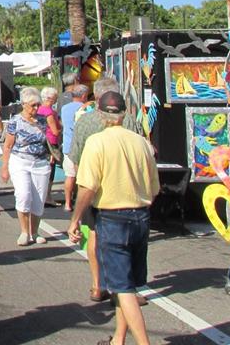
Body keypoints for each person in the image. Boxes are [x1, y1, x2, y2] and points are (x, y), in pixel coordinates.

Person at [68, 91, 159, 345]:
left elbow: (87, 188)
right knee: (126, 284)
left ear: (100, 114)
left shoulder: (96, 142)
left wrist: (75, 219)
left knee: (122, 288)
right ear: (124, 114)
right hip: (140, 215)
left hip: (112, 217)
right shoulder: (141, 142)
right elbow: (155, 188)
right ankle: (118, 339)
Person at [66, 76, 147, 304]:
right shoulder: (128, 120)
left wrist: (80, 186)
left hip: (91, 186)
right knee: (124, 241)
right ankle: (124, 289)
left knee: (94, 234)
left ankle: (97, 285)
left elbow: (75, 157)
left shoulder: (84, 120)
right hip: (124, 187)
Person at [0, 87, 50, 245]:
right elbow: (8, 145)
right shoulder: (15, 121)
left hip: (40, 162)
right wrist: (4, 167)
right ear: (23, 104)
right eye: (33, 105)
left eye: (38, 105)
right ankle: (24, 232)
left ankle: (34, 232)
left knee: (39, 199)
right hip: (20, 161)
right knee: (23, 194)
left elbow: (50, 138)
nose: (36, 108)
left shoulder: (42, 120)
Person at [60, 83, 89, 211]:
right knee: (83, 176)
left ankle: (67, 203)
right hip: (82, 145)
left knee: (69, 175)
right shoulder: (85, 108)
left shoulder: (64, 108)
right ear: (83, 96)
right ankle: (81, 201)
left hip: (68, 145)